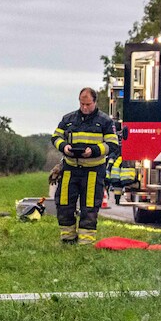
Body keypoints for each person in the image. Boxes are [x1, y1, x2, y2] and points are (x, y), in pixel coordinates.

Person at [52, 88, 119, 244]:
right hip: (70, 168)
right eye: (82, 104)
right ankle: (67, 239)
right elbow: (55, 137)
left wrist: (94, 150)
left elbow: (112, 144)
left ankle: (86, 242)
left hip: (93, 171)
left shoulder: (105, 121)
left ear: (95, 102)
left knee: (89, 207)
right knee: (64, 204)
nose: (84, 108)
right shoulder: (68, 119)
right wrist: (64, 147)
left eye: (88, 104)